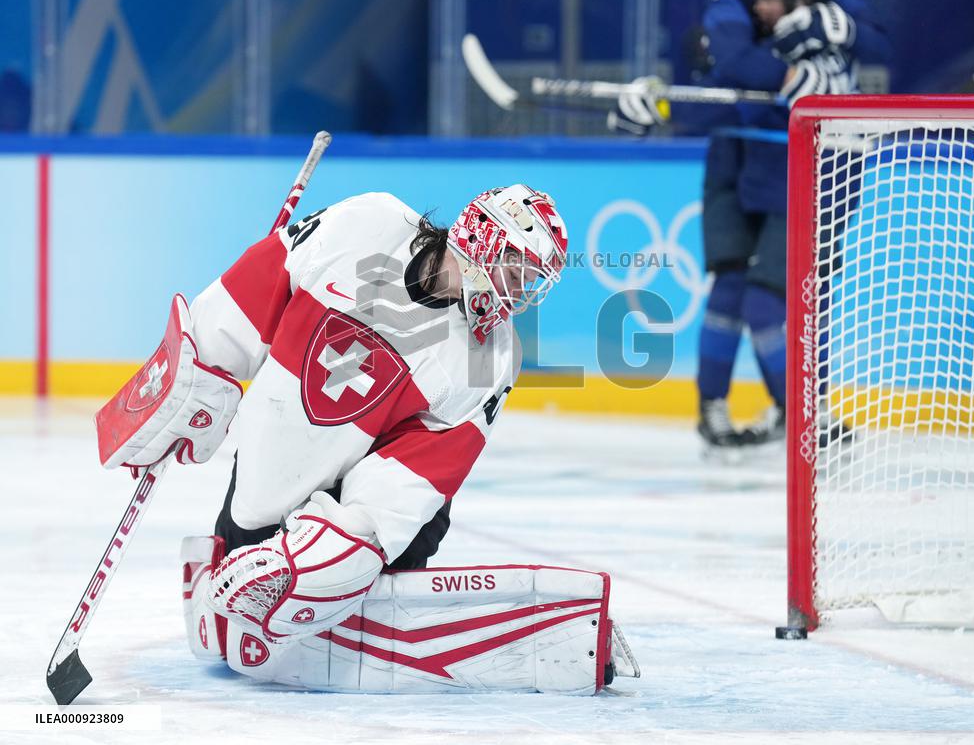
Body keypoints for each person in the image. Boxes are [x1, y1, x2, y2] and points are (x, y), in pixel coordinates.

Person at [94, 186, 637, 694]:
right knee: (235, 620)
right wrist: (200, 373)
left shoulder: (492, 356)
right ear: (481, 239)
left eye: (531, 280)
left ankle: (355, 579)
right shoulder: (369, 223)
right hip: (278, 450)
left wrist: (339, 548)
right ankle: (285, 563)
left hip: (367, 486)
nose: (522, 293)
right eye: (517, 272)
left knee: (375, 548)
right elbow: (261, 281)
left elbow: (421, 469)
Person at [611, 0, 889, 454]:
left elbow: (879, 40)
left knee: (798, 292)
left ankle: (803, 406)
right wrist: (668, 112)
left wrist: (843, 27)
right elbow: (734, 66)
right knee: (736, 285)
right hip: (742, 160)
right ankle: (730, 407)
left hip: (796, 164)